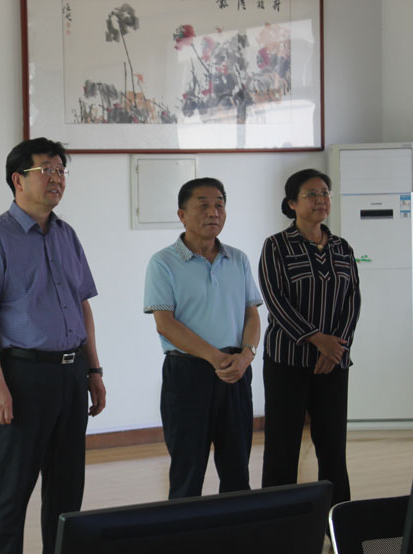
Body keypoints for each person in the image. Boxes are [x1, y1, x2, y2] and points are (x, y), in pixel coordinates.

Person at [0, 137, 106, 554]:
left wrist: (94, 370)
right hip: (23, 378)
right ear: (18, 179)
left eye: (61, 170)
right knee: (11, 497)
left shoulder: (67, 235)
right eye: (47, 169)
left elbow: (82, 305)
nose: (56, 179)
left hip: (70, 375)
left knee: (67, 500)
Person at [143, 177, 262, 499]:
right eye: (204, 205)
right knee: (187, 470)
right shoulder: (163, 262)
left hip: (236, 370)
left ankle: (235, 529)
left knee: (237, 469)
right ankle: (184, 532)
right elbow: (165, 324)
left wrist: (247, 355)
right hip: (188, 373)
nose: (214, 212)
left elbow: (252, 314)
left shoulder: (238, 259)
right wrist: (214, 357)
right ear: (182, 215)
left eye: (220, 205)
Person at [258, 168, 361, 508]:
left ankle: (338, 519)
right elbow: (276, 300)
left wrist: (336, 348)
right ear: (291, 203)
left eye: (325, 193)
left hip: (333, 363)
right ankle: (278, 518)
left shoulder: (342, 247)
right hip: (287, 361)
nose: (321, 200)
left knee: (333, 447)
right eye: (311, 194)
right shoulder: (276, 245)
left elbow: (353, 301)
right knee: (282, 447)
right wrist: (318, 340)